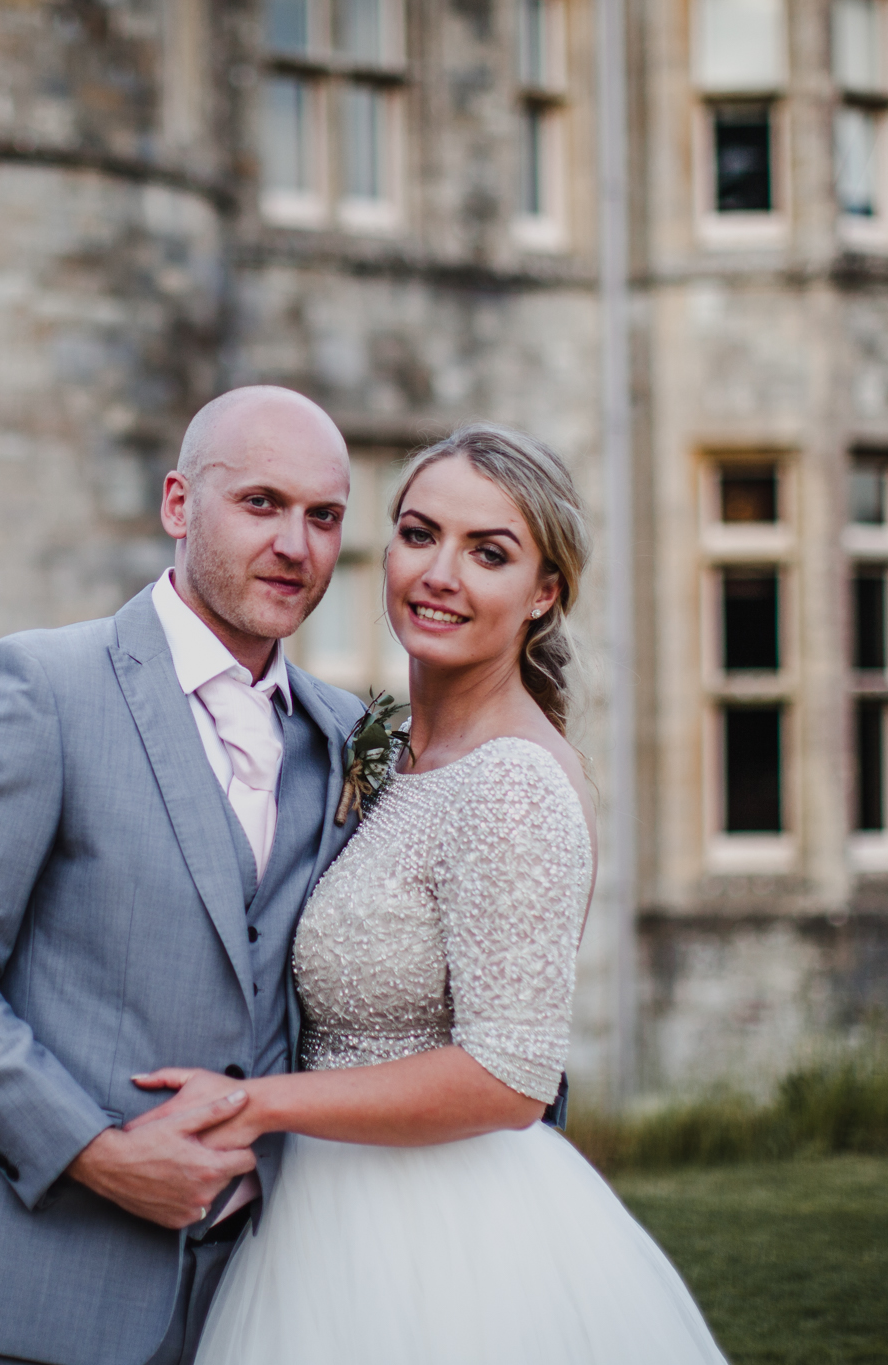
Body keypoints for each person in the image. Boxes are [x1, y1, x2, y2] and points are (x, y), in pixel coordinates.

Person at [129, 423, 730, 1364]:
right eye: (419, 534)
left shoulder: (511, 784)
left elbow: (511, 1076)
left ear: (544, 593)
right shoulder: (383, 741)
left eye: (488, 553)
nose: (439, 573)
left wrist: (261, 1104)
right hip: (314, 1214)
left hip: (439, 1236)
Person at [0, 386, 368, 1365]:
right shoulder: (40, 688)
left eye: (323, 517)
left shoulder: (346, 736)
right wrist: (102, 1156)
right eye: (260, 504)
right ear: (178, 505)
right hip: (34, 1286)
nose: (295, 546)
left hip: (258, 1300)